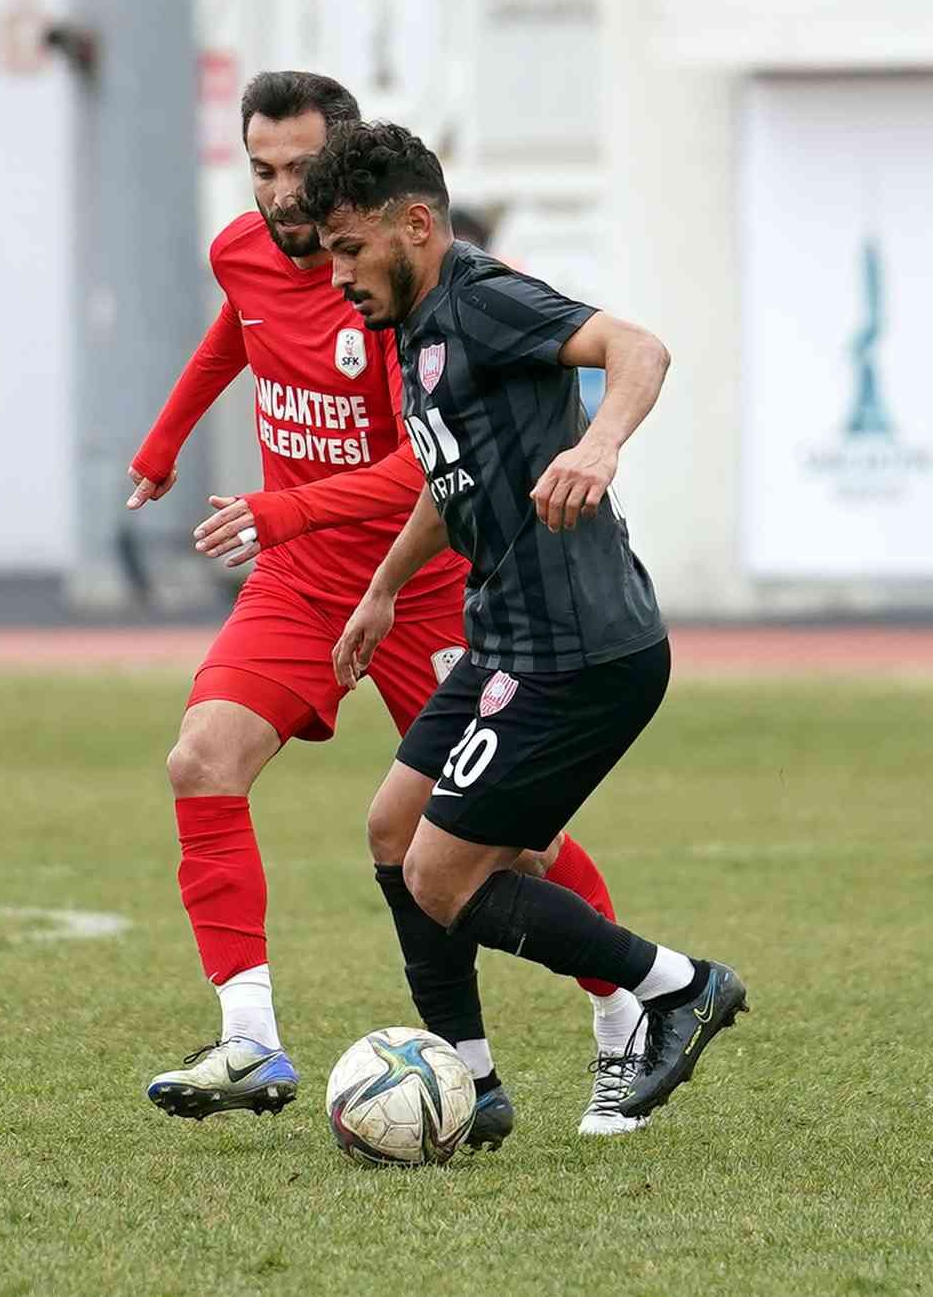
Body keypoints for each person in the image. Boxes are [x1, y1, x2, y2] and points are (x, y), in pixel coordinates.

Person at [128, 72, 646, 1140]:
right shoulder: (243, 249)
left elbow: (430, 463)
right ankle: (250, 1033)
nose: (281, 196)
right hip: (301, 578)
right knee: (200, 760)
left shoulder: (398, 288)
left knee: (511, 843)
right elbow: (238, 325)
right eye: (262, 169)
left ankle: (623, 1003)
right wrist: (166, 440)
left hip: (427, 584)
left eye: (301, 172)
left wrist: (290, 505)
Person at [300, 120, 748, 1125]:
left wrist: (597, 445)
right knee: (389, 828)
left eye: (346, 249)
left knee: (442, 873)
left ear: (414, 224)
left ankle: (674, 985)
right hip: (508, 634)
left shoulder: (484, 296)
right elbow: (446, 472)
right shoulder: (413, 324)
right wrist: (381, 587)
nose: (335, 277)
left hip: (580, 647)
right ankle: (472, 1083)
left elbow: (640, 347)